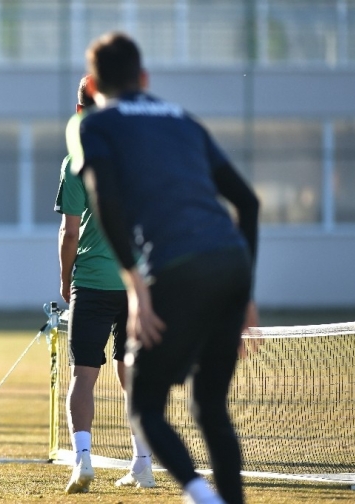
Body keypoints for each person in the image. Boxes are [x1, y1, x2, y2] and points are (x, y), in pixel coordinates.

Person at [68, 32, 259, 504]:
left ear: (92, 86)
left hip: (175, 267)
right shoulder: (183, 119)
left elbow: (106, 200)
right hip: (232, 264)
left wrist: (135, 284)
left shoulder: (91, 125)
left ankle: (201, 495)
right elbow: (248, 203)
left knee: (146, 406)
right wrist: (246, 292)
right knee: (210, 405)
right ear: (145, 77)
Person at [56, 76, 155, 494]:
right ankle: (144, 464)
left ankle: (82, 460)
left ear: (80, 111)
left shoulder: (75, 160)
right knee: (134, 375)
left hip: (92, 283)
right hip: (135, 284)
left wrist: (65, 281)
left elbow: (69, 233)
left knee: (83, 374)